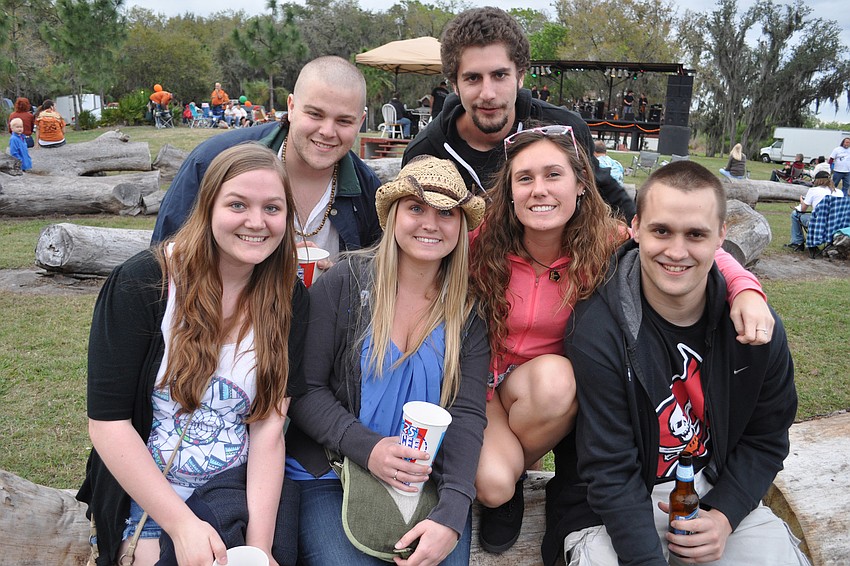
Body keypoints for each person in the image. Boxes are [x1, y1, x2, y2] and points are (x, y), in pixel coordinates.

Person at [468, 124, 774, 555]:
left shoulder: (605, 241)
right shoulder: (481, 243)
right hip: (479, 384)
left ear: (579, 185)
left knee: (555, 385)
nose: (539, 190)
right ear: (510, 191)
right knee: (493, 487)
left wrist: (745, 289)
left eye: (553, 175)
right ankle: (511, 470)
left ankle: (515, 469)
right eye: (525, 178)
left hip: (546, 389)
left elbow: (684, 242)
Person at [547, 160, 808, 566]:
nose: (677, 251)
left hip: (715, 489)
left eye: (696, 234)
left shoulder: (754, 328)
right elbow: (610, 469)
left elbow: (767, 437)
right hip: (613, 508)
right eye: (662, 230)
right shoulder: (598, 328)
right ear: (634, 228)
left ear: (722, 236)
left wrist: (723, 516)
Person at [77, 144, 309, 566]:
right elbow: (108, 425)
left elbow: (269, 429)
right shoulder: (143, 284)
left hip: (234, 497)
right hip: (148, 503)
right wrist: (181, 525)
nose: (256, 222)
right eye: (238, 204)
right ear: (207, 206)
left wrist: (257, 547)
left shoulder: (290, 298)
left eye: (273, 208)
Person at [287, 156, 490, 565]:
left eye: (446, 213)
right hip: (331, 471)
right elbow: (305, 390)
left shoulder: (469, 311)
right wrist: (370, 448)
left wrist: (452, 514)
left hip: (421, 483)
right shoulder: (345, 281)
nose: (430, 223)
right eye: (416, 208)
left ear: (462, 227)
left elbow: (468, 414)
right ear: (393, 215)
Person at [402, 7, 636, 222]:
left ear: (521, 76)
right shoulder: (425, 152)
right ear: (454, 84)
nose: (488, 93)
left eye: (500, 75)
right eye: (473, 78)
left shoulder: (564, 129)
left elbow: (611, 203)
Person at [152, 56, 382, 274]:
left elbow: (375, 279)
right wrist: (269, 269)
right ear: (291, 107)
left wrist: (339, 285)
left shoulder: (368, 191)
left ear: (360, 122)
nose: (327, 131)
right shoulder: (211, 161)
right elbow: (164, 261)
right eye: (315, 114)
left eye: (344, 121)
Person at [785, 170, 844, 251]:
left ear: (818, 180)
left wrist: (802, 201)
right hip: (836, 224)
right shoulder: (839, 192)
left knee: (795, 214)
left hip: (819, 224)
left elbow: (802, 209)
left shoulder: (813, 191)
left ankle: (797, 242)